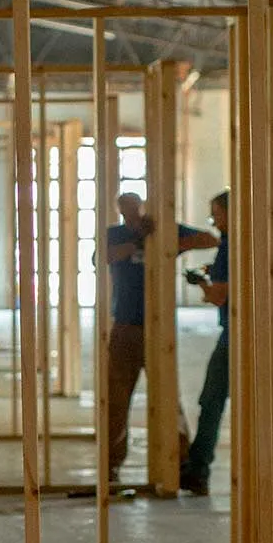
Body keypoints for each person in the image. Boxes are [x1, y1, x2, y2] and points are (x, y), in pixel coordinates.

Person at [103, 191, 217, 481]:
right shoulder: (115, 235)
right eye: (125, 213)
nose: (131, 217)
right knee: (116, 400)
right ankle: (111, 465)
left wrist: (169, 245)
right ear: (120, 212)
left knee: (167, 397)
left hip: (159, 329)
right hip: (125, 327)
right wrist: (134, 244)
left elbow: (210, 239)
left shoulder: (163, 229)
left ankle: (179, 462)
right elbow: (100, 257)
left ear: (141, 208)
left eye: (134, 212)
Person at [178, 191, 231, 496]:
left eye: (216, 213)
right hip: (243, 332)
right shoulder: (241, 243)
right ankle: (197, 467)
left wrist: (201, 283)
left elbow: (220, 296)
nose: (213, 220)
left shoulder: (227, 248)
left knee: (210, 400)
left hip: (233, 334)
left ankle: (198, 470)